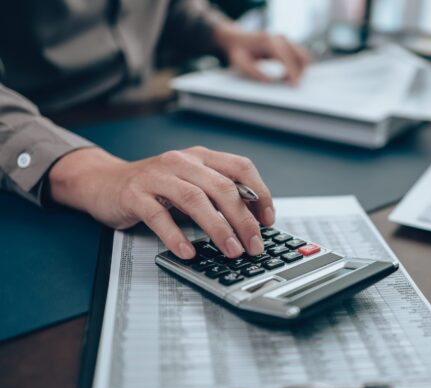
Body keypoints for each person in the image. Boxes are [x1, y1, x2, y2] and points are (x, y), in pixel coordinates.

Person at [0, 0, 310, 260]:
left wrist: (222, 34)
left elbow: (167, 7)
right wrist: (90, 173)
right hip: (30, 142)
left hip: (140, 114)